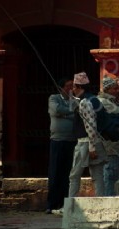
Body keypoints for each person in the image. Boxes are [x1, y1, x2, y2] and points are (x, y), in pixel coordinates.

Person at [69, 72, 108, 197]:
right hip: (94, 142)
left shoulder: (85, 102)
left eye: (74, 87)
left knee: (74, 175)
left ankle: (71, 205)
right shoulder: (94, 99)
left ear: (80, 87)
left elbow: (90, 126)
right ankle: (100, 203)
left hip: (86, 143)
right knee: (97, 176)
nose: (73, 90)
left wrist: (92, 147)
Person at [45, 78, 77, 214]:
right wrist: (70, 112)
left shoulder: (74, 100)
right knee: (55, 172)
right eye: (68, 86)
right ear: (61, 87)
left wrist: (65, 113)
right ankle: (51, 204)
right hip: (57, 140)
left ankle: (63, 203)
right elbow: (56, 110)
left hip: (71, 140)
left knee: (67, 173)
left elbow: (77, 115)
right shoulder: (54, 98)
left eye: (73, 86)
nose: (71, 89)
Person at [97, 76, 119, 196]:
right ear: (107, 89)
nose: (117, 91)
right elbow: (118, 121)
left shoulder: (114, 102)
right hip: (109, 146)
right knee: (110, 176)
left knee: (116, 175)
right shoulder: (103, 102)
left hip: (118, 145)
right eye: (114, 88)